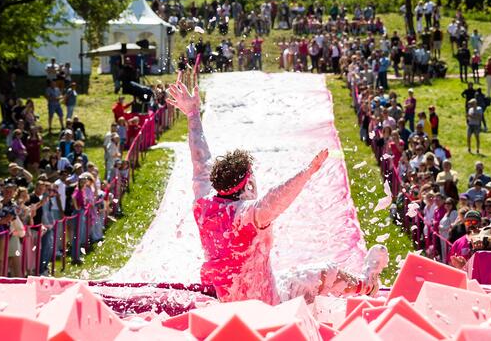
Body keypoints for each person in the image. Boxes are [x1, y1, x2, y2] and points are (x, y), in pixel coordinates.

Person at [165, 71, 389, 304]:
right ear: (248, 184)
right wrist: (307, 173)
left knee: (293, 277)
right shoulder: (247, 216)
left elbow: (200, 160)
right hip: (268, 307)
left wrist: (192, 114)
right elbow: (276, 199)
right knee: (326, 273)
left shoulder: (204, 202)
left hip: (227, 304)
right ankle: (369, 285)